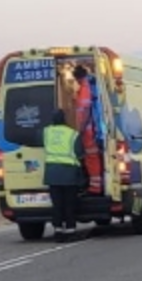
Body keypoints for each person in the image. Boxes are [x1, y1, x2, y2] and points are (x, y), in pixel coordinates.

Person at [42, 109, 85, 242]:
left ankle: (58, 232)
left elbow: (36, 140)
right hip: (69, 175)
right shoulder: (73, 134)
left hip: (52, 175)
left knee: (57, 205)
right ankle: (70, 231)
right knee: (69, 204)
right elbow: (80, 154)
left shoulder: (46, 132)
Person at [72, 65, 104, 196]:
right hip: (91, 130)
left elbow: (85, 110)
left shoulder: (85, 88)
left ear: (78, 77)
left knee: (91, 158)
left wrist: (81, 129)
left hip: (89, 131)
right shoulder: (89, 86)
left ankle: (95, 188)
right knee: (91, 158)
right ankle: (95, 186)